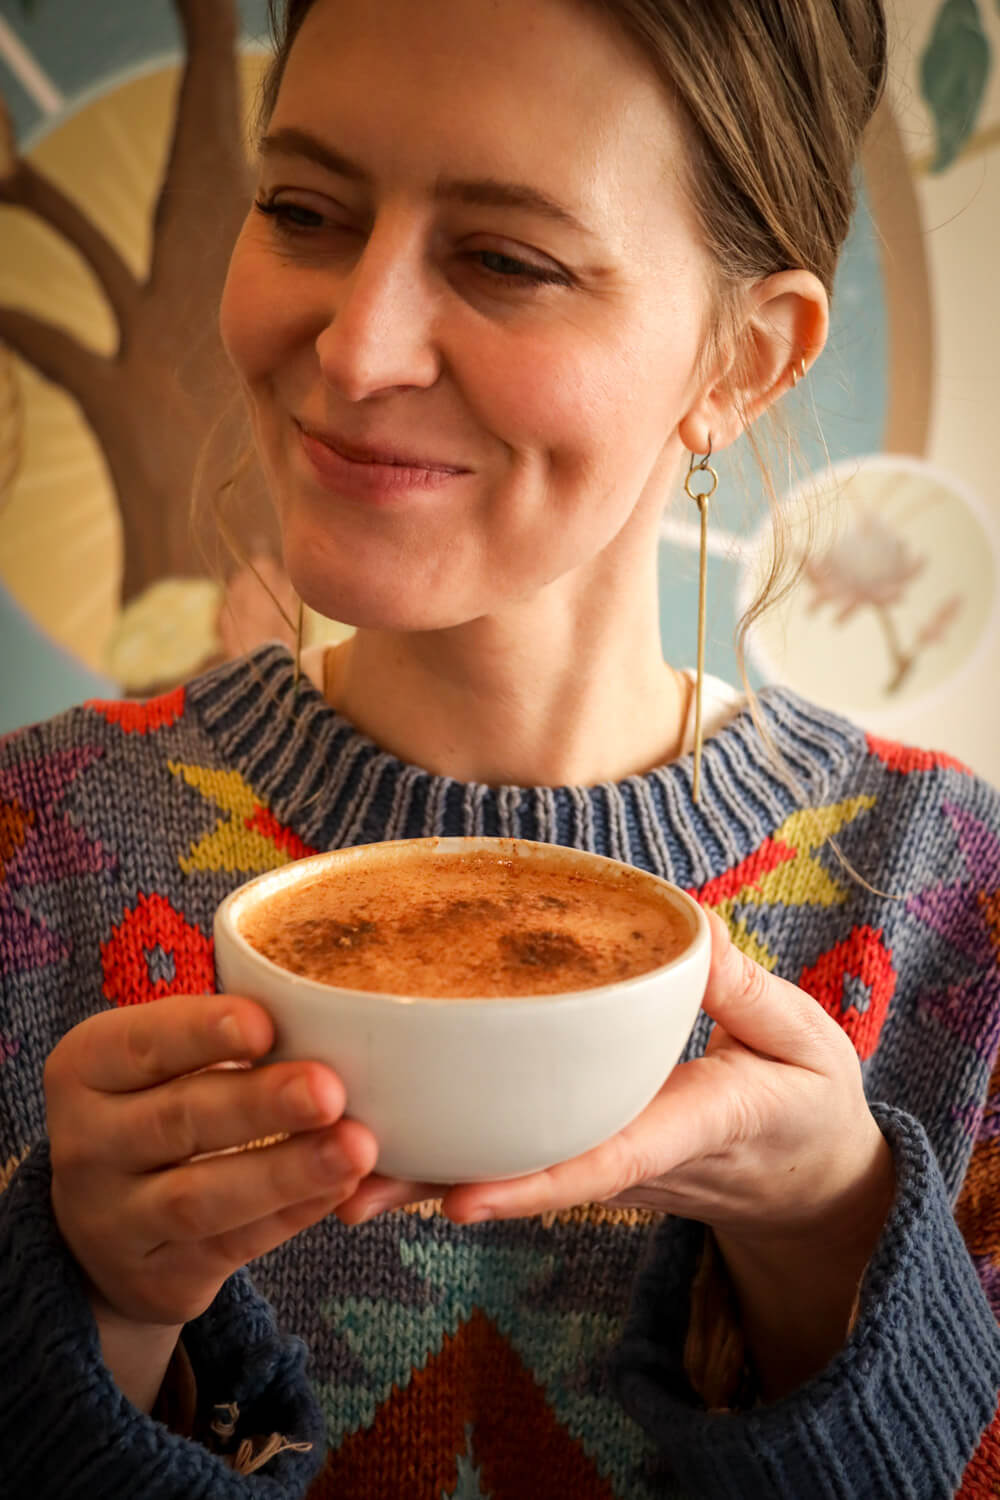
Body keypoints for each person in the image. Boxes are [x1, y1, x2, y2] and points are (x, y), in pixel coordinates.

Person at [2, 0, 998, 1494]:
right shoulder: (32, 850)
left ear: (745, 357)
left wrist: (828, 1240)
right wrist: (99, 1315)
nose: (353, 344)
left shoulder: (948, 898)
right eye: (305, 210)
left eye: (505, 259)